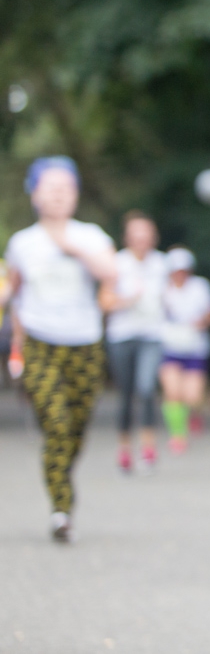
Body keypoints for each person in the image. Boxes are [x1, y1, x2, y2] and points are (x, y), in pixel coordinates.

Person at [2, 157, 119, 542]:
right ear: (34, 194)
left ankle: (61, 478)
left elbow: (110, 273)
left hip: (84, 343)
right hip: (40, 343)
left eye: (65, 187)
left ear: (75, 193)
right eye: (49, 187)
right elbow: (13, 293)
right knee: (56, 423)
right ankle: (61, 507)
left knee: (78, 428)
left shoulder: (91, 235)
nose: (57, 194)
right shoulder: (22, 243)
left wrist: (70, 245)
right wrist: (16, 344)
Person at [107, 211, 168, 474]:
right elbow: (104, 302)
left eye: (146, 234)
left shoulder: (161, 264)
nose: (141, 239)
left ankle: (148, 448)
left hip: (151, 335)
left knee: (146, 389)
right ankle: (124, 449)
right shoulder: (116, 263)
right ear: (127, 237)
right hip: (122, 335)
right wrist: (128, 299)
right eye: (136, 234)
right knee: (126, 394)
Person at [159, 246, 210, 454]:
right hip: (170, 346)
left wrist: (204, 320)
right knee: (173, 392)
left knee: (192, 396)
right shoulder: (163, 289)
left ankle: (195, 413)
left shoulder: (200, 287)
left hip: (195, 347)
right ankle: (178, 435)